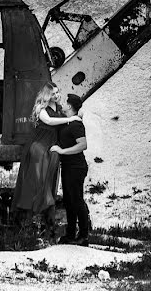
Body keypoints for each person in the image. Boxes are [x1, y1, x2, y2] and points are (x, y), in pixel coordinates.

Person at [12, 82, 81, 234]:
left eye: (57, 92)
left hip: (52, 146)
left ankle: (46, 215)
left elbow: (68, 119)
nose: (56, 95)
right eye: (53, 93)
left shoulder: (60, 108)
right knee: (37, 181)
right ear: (47, 95)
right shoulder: (40, 108)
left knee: (49, 180)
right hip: (40, 146)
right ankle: (31, 216)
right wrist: (71, 119)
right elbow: (49, 121)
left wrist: (77, 117)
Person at [51, 93, 90, 246]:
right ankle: (70, 234)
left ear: (70, 106)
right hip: (68, 167)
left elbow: (83, 145)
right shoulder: (67, 122)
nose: (63, 104)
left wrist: (62, 151)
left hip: (76, 167)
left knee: (77, 200)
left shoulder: (76, 125)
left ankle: (84, 236)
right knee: (69, 201)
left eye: (65, 102)